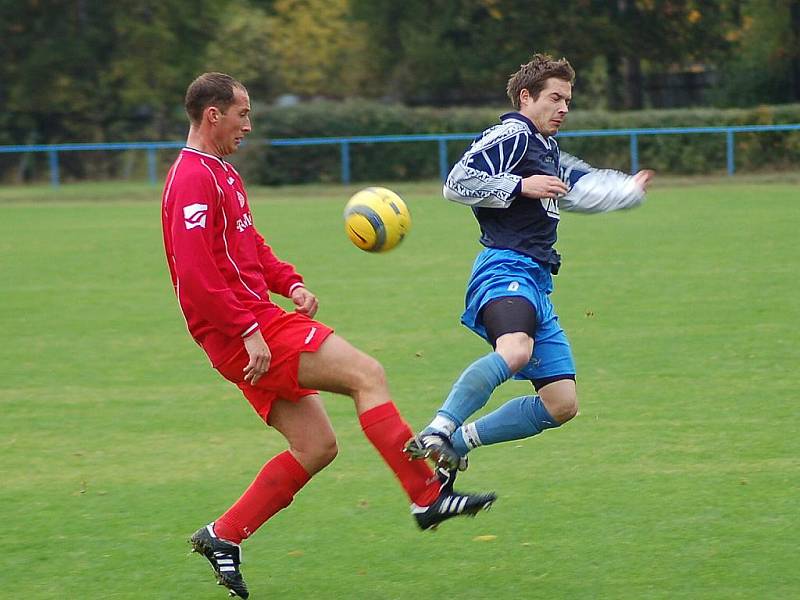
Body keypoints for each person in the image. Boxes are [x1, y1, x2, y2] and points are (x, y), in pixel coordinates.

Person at [161, 72, 496, 599]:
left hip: (253, 323)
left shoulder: (222, 172)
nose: (248, 125)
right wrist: (249, 331)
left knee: (316, 446)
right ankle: (425, 495)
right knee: (368, 374)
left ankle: (222, 536)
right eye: (242, 115)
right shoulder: (191, 179)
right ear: (212, 116)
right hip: (245, 330)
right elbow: (196, 279)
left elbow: (249, 247)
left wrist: (289, 282)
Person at [405, 54, 654, 476]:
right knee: (516, 351)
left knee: (561, 404)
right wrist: (520, 185)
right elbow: (456, 183)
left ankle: (459, 443)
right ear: (527, 96)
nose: (563, 109)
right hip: (504, 268)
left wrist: (627, 189)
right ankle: (438, 428)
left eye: (568, 101)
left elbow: (580, 187)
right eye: (555, 98)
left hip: (537, 281)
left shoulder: (546, 148)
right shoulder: (512, 134)